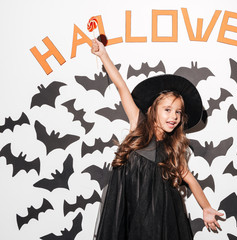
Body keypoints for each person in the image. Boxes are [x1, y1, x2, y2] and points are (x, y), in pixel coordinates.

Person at [91, 38, 223, 240]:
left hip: (160, 216)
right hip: (128, 212)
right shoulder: (138, 123)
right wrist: (103, 56)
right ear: (152, 110)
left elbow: (189, 179)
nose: (174, 117)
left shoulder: (171, 148)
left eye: (178, 112)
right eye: (168, 110)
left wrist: (205, 207)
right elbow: (121, 87)